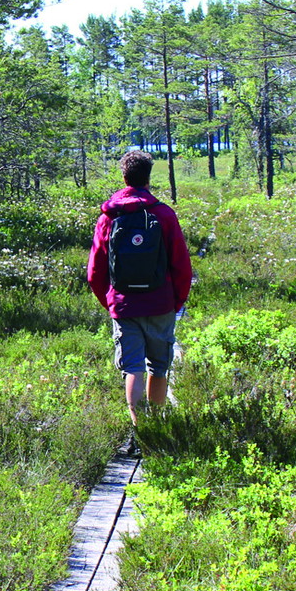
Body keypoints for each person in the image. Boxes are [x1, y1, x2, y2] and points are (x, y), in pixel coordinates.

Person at [87, 150, 192, 448]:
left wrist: (110, 301)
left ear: (124, 177)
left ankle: (139, 432)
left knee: (132, 366)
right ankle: (155, 427)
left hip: (124, 304)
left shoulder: (109, 217)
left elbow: (95, 270)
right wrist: (176, 301)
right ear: (148, 177)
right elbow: (182, 266)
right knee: (158, 366)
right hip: (160, 304)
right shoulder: (163, 214)